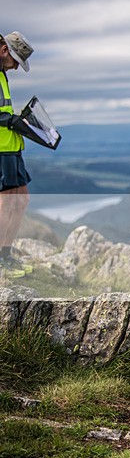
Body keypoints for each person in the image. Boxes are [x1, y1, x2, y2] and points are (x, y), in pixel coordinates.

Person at [0, 31, 35, 279]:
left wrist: (18, 122)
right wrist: (13, 120)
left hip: (12, 147)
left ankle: (6, 254)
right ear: (5, 52)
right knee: (4, 204)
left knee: (21, 201)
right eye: (15, 62)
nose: (14, 68)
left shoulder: (1, 74)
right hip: (1, 149)